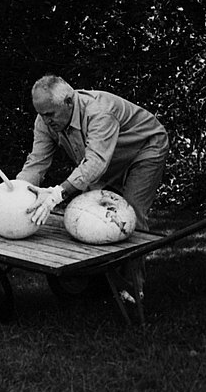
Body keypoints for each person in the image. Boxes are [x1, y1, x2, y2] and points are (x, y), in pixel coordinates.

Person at [17, 74, 169, 300]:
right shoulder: (45, 120)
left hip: (145, 149)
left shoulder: (99, 113)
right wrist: (17, 193)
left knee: (132, 215)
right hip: (107, 158)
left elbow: (95, 163)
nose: (45, 121)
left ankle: (133, 288)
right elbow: (37, 162)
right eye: (41, 114)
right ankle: (98, 280)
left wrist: (57, 194)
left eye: (50, 114)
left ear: (69, 102)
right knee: (88, 215)